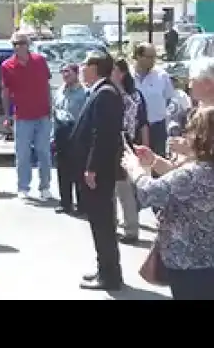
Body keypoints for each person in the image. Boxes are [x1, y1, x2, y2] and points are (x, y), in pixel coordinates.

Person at [122, 106, 214, 300]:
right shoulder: (198, 171)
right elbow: (177, 185)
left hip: (188, 264)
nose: (186, 137)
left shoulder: (193, 173)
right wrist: (154, 161)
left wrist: (136, 170)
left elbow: (149, 194)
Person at [71, 50, 123, 291]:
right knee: (98, 223)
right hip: (95, 170)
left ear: (96, 68)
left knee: (103, 223)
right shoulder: (100, 92)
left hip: (99, 172)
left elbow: (101, 136)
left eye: (85, 64)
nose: (81, 68)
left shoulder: (106, 94)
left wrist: (91, 168)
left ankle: (110, 275)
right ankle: (104, 268)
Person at [1, 32, 53, 201]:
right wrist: (7, 115)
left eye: (22, 43)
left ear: (28, 44)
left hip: (42, 114)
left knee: (44, 152)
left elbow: (47, 85)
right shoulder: (7, 66)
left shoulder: (40, 61)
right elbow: (6, 92)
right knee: (22, 154)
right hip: (22, 116)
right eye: (15, 44)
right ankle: (23, 187)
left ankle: (45, 187)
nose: (18, 46)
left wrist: (51, 108)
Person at [111, 58, 149, 245]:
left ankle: (131, 229)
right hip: (122, 142)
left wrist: (145, 147)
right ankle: (121, 224)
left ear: (122, 73)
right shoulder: (120, 93)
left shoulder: (127, 95)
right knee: (117, 187)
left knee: (123, 188)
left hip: (123, 143)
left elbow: (142, 122)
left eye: (114, 70)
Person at [51, 63, 88, 215]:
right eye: (63, 72)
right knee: (63, 170)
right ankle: (65, 203)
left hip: (77, 133)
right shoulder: (59, 91)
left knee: (78, 171)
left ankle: (82, 205)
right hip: (61, 133)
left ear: (76, 73)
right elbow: (55, 113)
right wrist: (52, 136)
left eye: (68, 72)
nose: (65, 75)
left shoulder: (84, 93)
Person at [133, 43, 174, 157]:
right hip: (135, 128)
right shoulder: (128, 77)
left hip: (157, 127)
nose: (153, 61)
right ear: (138, 56)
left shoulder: (162, 76)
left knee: (158, 162)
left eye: (154, 57)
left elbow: (168, 98)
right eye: (149, 57)